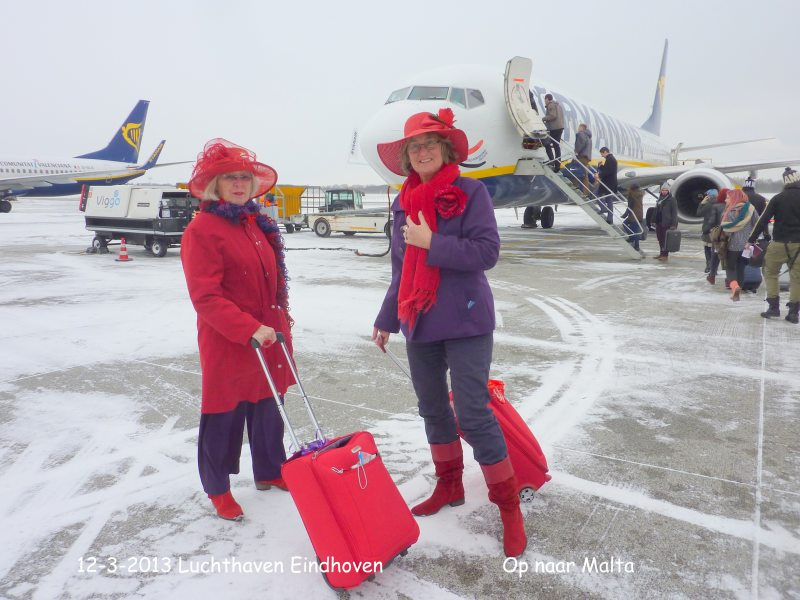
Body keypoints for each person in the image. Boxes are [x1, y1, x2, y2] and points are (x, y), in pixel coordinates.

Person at [371, 109, 526, 558]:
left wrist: (432, 243)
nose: (422, 152)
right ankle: (449, 485)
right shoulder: (403, 201)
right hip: (418, 320)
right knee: (433, 410)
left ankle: (509, 507)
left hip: (465, 320)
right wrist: (386, 319)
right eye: (414, 147)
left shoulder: (470, 191)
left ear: (445, 150)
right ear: (407, 156)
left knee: (473, 413)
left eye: (430, 145)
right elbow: (400, 269)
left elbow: (487, 252)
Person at [180, 139, 295, 521]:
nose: (240, 184)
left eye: (245, 177)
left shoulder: (255, 224)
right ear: (216, 184)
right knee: (224, 413)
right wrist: (248, 328)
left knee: (269, 404)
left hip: (268, 333)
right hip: (229, 338)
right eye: (230, 178)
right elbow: (205, 296)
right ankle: (218, 488)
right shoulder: (202, 229)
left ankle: (269, 470)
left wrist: (274, 323)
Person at [745, 169, 800, 322]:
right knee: (797, 278)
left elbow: (763, 220)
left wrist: (751, 240)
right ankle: (794, 313)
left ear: (785, 181)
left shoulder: (777, 198)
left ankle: (774, 307)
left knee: (770, 272)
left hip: (779, 244)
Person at [720, 188, 758, 301]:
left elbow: (726, 230)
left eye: (728, 198)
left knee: (730, 268)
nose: (726, 200)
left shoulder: (729, 211)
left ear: (734, 198)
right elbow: (757, 224)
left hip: (732, 245)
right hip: (747, 246)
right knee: (741, 268)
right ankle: (738, 291)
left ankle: (735, 287)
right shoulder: (751, 209)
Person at [697, 189, 722, 278]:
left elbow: (698, 213)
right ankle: (714, 268)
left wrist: (702, 203)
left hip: (708, 230)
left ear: (708, 196)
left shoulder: (708, 205)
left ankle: (709, 266)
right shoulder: (721, 205)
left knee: (707, 249)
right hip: (718, 230)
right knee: (715, 250)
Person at [653, 182, 678, 261]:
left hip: (667, 223)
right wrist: (653, 220)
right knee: (660, 239)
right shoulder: (659, 199)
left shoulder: (672, 200)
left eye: (666, 190)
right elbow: (656, 210)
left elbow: (674, 213)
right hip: (659, 222)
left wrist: (674, 224)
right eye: (663, 190)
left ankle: (665, 255)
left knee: (665, 240)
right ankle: (661, 253)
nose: (664, 191)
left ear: (668, 191)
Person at [542, 93, 564, 172]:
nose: (545, 101)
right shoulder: (558, 105)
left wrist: (544, 118)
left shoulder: (551, 105)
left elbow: (553, 116)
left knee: (546, 143)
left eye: (545, 100)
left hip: (554, 128)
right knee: (556, 146)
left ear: (547, 99)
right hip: (560, 127)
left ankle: (551, 161)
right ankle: (557, 165)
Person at [597, 147, 618, 224]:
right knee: (609, 200)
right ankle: (610, 219)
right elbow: (608, 170)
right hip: (610, 183)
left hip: (608, 183)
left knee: (597, 194)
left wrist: (599, 175)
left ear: (605, 152)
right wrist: (601, 166)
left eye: (602, 153)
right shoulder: (610, 159)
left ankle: (603, 208)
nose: (602, 155)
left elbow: (608, 172)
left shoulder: (610, 159)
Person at [622, 183, 644, 250]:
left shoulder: (632, 195)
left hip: (633, 215)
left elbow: (630, 207)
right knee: (635, 230)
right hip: (639, 214)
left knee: (626, 224)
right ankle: (633, 240)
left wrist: (625, 215)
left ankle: (635, 243)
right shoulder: (639, 194)